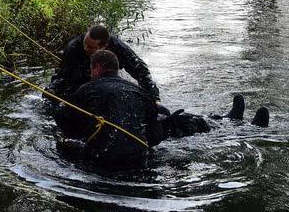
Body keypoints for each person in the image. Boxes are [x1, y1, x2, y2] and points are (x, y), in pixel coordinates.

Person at [53, 50, 271, 168]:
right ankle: (236, 127)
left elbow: (63, 121)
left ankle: (228, 119)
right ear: (116, 70)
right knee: (176, 123)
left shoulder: (85, 90)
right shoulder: (139, 91)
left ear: (97, 68)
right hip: (138, 161)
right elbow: (155, 136)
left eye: (91, 70)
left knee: (176, 121)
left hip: (102, 162)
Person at [48, 25, 165, 113]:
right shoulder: (74, 48)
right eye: (85, 43)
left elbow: (141, 71)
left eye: (90, 47)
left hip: (106, 80)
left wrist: (155, 100)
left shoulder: (118, 47)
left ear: (104, 46)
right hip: (78, 79)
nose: (85, 48)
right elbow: (69, 82)